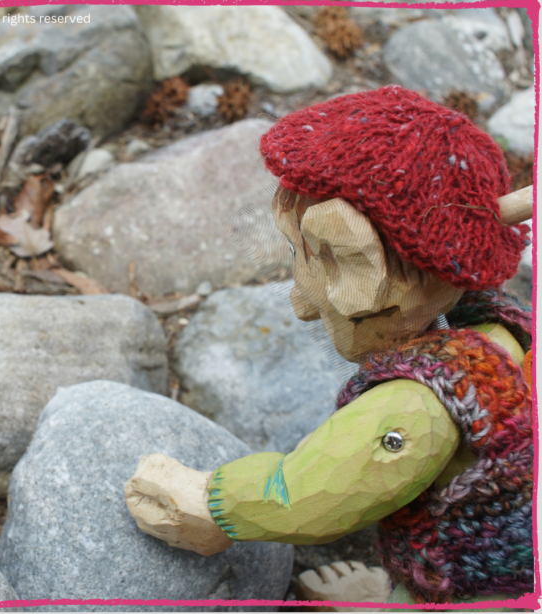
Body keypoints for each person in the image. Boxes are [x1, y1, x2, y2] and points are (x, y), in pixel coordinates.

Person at [126, 85, 534, 606]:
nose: (302, 306)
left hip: (485, 591)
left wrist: (210, 503)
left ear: (363, 268)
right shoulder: (502, 334)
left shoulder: (421, 403)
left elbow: (310, 493)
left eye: (310, 257)